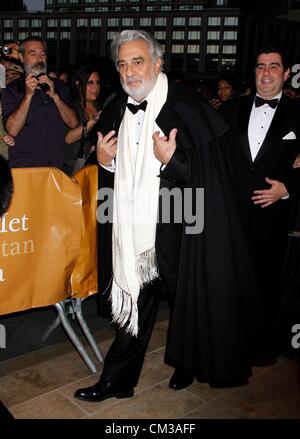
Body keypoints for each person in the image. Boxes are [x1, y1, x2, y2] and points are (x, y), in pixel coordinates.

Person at [74, 30, 259, 403]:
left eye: (137, 61)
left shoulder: (189, 107)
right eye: (123, 64)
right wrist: (105, 162)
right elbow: (106, 165)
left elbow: (210, 177)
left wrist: (172, 161)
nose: (129, 71)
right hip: (132, 229)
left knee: (187, 299)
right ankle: (117, 381)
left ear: (158, 64)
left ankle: (189, 361)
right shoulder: (114, 107)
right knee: (136, 303)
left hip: (181, 225)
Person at [220, 47, 300, 363]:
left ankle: (259, 348)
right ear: (254, 72)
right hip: (230, 212)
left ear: (286, 73)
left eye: (273, 67)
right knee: (228, 282)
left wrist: (288, 188)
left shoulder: (298, 113)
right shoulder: (230, 109)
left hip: (272, 215)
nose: (266, 73)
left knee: (265, 283)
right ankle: (226, 345)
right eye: (260, 67)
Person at [1, 36, 78, 169]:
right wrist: (28, 96)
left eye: (43, 54)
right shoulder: (13, 90)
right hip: (24, 170)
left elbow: (73, 123)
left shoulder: (60, 87)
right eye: (33, 54)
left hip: (56, 169)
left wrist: (55, 96)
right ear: (21, 57)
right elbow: (12, 130)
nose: (39, 58)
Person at [63, 66, 102, 175]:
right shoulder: (71, 108)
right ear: (78, 84)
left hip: (95, 167)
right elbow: (68, 138)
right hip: (72, 169)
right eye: (90, 83)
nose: (95, 87)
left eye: (97, 83)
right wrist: (92, 121)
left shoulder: (101, 107)